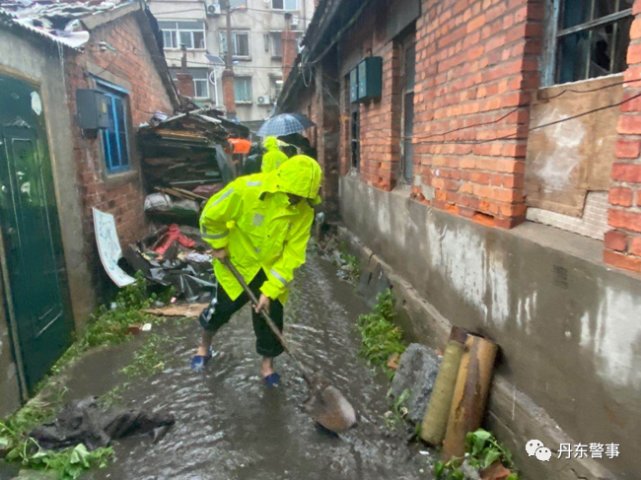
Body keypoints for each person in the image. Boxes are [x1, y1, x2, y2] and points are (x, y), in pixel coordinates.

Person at [192, 155, 323, 387]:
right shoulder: (246, 190)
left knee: (271, 319)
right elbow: (210, 215)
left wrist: (270, 289)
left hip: (270, 269)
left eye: (303, 198)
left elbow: (293, 254)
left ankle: (267, 366)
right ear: (281, 186)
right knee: (220, 310)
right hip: (238, 265)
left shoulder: (304, 210)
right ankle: (204, 346)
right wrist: (219, 245)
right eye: (293, 195)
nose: (296, 202)